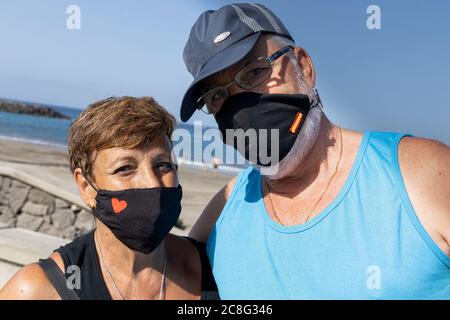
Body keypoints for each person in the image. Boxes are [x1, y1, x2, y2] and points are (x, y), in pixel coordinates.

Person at [180, 3, 450, 299]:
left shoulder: (420, 173)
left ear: (304, 68)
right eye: (217, 95)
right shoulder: (227, 208)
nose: (240, 107)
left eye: (255, 72)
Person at [0, 96, 218, 300]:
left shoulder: (218, 267)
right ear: (86, 187)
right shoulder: (40, 289)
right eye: (125, 168)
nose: (152, 182)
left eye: (163, 165)